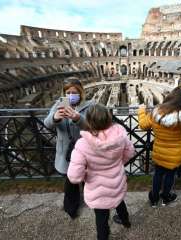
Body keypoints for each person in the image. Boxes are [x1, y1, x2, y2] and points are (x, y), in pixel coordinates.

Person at [67, 104, 135, 240]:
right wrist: (118, 163)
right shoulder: (120, 137)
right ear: (108, 118)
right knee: (119, 201)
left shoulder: (82, 144)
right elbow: (130, 152)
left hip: (97, 187)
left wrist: (86, 174)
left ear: (88, 121)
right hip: (116, 180)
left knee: (101, 217)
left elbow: (74, 177)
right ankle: (126, 222)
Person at [138, 86, 181, 207]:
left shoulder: (156, 113)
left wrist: (141, 110)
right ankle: (166, 197)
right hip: (176, 154)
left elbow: (143, 125)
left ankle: (154, 199)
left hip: (160, 152)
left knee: (158, 175)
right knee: (170, 175)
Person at [43, 77, 93, 219]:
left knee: (88, 179)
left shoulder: (90, 105)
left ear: (81, 92)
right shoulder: (59, 104)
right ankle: (71, 208)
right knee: (70, 182)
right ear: (65, 93)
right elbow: (47, 123)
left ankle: (91, 200)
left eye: (74, 92)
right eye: (68, 92)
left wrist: (78, 118)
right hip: (67, 153)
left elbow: (92, 127)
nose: (71, 95)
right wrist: (55, 117)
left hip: (85, 152)